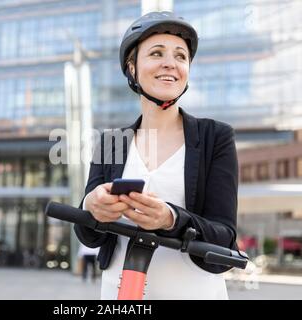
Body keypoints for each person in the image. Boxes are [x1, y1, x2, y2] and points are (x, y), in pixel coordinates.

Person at [74, 11, 238, 299]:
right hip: (119, 294)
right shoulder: (112, 142)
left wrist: (170, 218)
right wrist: (91, 206)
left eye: (180, 56)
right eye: (157, 53)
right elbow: (90, 235)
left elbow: (224, 235)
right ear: (132, 68)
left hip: (194, 292)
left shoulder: (216, 138)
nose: (170, 64)